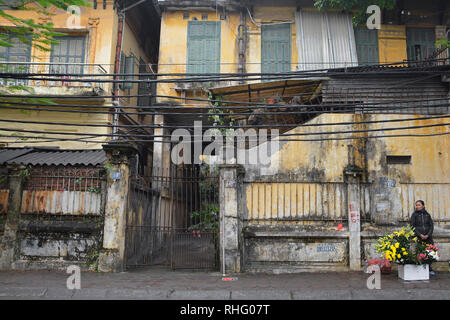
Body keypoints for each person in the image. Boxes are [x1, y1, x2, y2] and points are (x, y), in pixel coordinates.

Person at [410, 200, 435, 275]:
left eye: (419, 205)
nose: (417, 206)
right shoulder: (414, 215)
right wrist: (419, 234)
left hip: (428, 237)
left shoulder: (427, 214)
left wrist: (428, 234)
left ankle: (429, 269)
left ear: (423, 206)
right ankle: (420, 269)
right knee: (420, 253)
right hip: (419, 237)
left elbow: (431, 226)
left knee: (430, 252)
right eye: (416, 205)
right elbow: (412, 226)